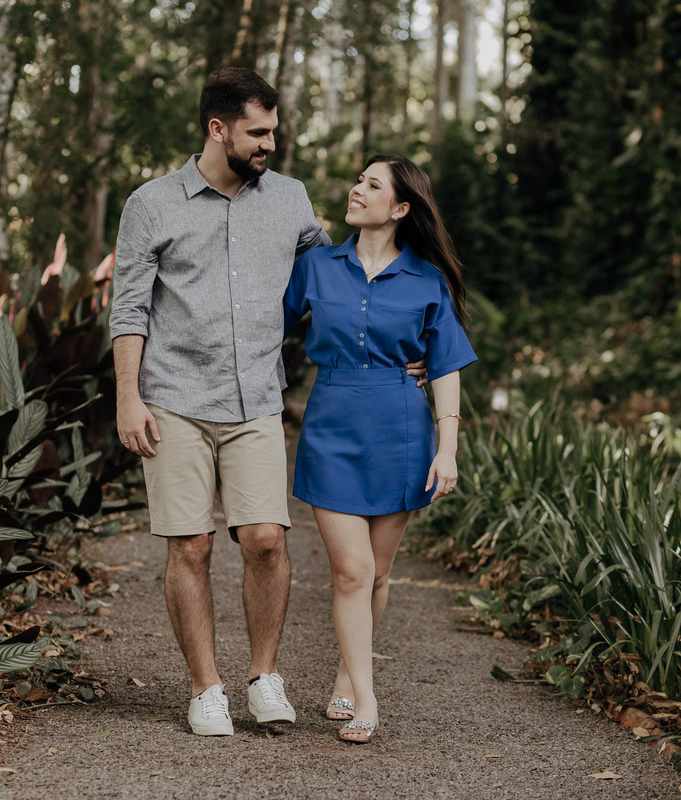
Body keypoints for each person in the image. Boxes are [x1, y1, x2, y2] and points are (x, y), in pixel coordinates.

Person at [110, 69, 426, 737]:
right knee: (190, 546)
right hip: (172, 397)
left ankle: (264, 677)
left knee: (265, 540)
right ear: (217, 128)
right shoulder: (152, 203)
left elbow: (340, 277)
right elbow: (129, 308)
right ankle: (206, 688)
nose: (269, 144)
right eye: (257, 132)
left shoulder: (290, 199)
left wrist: (402, 342)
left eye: (273, 131)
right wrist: (128, 397)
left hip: (255, 396)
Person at [283, 155, 477, 743]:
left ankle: (349, 673)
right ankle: (368, 700)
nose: (357, 189)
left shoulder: (427, 281)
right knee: (353, 570)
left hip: (401, 432)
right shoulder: (316, 266)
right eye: (358, 180)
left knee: (379, 572)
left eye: (372, 185)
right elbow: (265, 330)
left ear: (399, 208)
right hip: (331, 429)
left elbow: (445, 366)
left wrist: (448, 449)